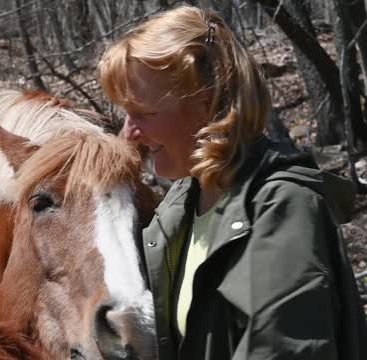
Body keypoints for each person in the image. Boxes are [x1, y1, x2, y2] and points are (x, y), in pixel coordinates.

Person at [98, 5, 366, 360]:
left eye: (144, 113)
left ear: (207, 104)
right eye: (125, 113)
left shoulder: (281, 209)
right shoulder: (179, 208)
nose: (128, 133)